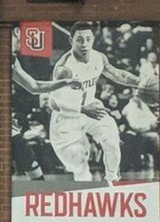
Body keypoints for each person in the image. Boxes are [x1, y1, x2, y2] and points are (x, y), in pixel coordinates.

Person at [47, 21, 143, 183]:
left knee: (112, 143)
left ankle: (112, 180)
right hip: (66, 118)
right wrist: (83, 109)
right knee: (80, 163)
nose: (84, 44)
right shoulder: (64, 69)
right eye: (79, 40)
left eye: (88, 39)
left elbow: (118, 75)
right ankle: (86, 194)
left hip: (92, 108)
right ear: (71, 41)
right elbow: (53, 104)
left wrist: (142, 83)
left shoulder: (98, 57)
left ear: (93, 39)